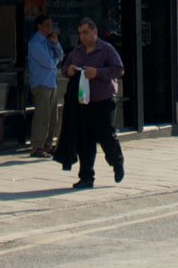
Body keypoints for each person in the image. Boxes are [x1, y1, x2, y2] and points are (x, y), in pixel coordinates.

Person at [64, 17, 125, 188]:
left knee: (106, 136)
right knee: (85, 140)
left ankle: (117, 161)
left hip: (103, 100)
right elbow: (65, 67)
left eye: (85, 32)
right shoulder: (77, 51)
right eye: (80, 33)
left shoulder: (106, 49)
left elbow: (118, 69)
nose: (82, 36)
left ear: (94, 32)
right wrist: (67, 71)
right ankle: (86, 177)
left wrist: (97, 73)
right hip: (83, 102)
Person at [26, 16, 63, 158]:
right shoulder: (35, 43)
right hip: (41, 83)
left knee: (53, 117)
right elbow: (49, 63)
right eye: (47, 25)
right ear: (39, 26)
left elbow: (60, 55)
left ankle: (48, 144)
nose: (50, 28)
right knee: (42, 116)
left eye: (51, 24)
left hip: (51, 82)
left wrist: (56, 43)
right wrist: (55, 60)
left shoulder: (48, 42)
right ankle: (37, 146)